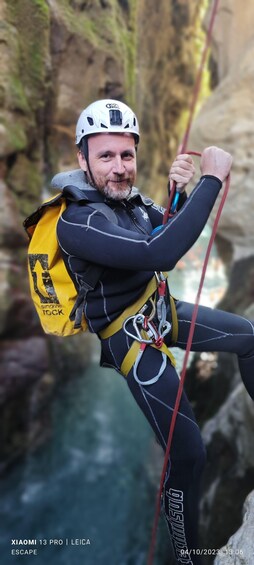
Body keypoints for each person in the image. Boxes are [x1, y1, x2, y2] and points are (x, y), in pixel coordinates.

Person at [56, 99, 254, 565]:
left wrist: (177, 192)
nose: (120, 167)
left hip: (160, 308)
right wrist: (210, 179)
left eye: (127, 155)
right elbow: (158, 254)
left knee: (248, 335)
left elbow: (161, 228)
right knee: (189, 456)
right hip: (132, 341)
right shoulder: (78, 221)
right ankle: (186, 559)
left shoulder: (129, 201)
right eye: (106, 156)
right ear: (82, 158)